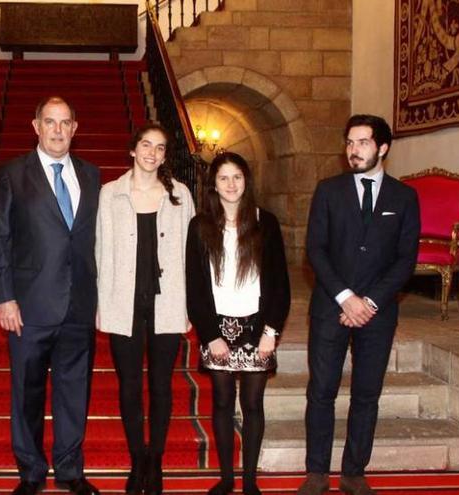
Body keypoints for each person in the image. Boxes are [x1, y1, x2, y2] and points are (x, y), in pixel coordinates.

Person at [298, 115, 420, 495]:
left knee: (367, 393)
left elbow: (405, 260)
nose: (354, 150)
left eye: (363, 142)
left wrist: (368, 301)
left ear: (382, 147)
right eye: (350, 142)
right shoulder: (328, 190)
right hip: (330, 306)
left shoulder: (404, 197)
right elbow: (315, 250)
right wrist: (345, 297)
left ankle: (354, 470)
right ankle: (316, 472)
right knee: (321, 390)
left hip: (377, 312)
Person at [0, 96, 102, 495]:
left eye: (65, 122)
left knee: (75, 392)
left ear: (75, 128)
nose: (57, 130)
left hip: (79, 305)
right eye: (49, 122)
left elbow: (93, 241)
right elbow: (0, 238)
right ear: (35, 126)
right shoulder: (13, 174)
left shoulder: (92, 174)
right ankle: (31, 472)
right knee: (27, 393)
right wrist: (4, 297)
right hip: (29, 306)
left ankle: (70, 470)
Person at [96, 124, 195, 495]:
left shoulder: (180, 195)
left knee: (161, 385)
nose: (152, 152)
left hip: (167, 300)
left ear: (165, 155)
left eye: (160, 147)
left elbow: (190, 254)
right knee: (130, 385)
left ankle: (156, 459)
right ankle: (137, 458)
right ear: (133, 150)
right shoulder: (110, 194)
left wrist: (188, 306)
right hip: (123, 301)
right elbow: (100, 250)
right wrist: (102, 303)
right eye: (145, 145)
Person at [185, 152, 290, 495]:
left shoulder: (266, 222)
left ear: (247, 180)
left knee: (253, 404)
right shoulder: (200, 226)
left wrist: (270, 332)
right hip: (218, 328)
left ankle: (249, 482)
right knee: (221, 402)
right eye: (223, 178)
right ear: (213, 185)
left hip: (257, 328)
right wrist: (210, 334)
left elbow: (280, 283)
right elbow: (195, 286)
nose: (231, 184)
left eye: (237, 177)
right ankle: (228, 478)